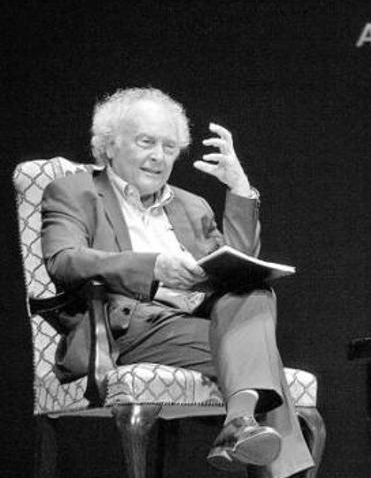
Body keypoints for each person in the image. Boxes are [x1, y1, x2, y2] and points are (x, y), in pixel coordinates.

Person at [41, 87, 314, 476]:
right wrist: (151, 267)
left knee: (254, 292)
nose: (158, 156)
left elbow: (238, 265)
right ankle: (259, 441)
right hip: (126, 326)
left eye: (169, 147)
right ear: (110, 145)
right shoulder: (75, 191)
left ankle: (238, 421)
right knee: (257, 354)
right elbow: (64, 260)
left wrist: (239, 190)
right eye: (146, 142)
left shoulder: (192, 205)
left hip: (195, 322)